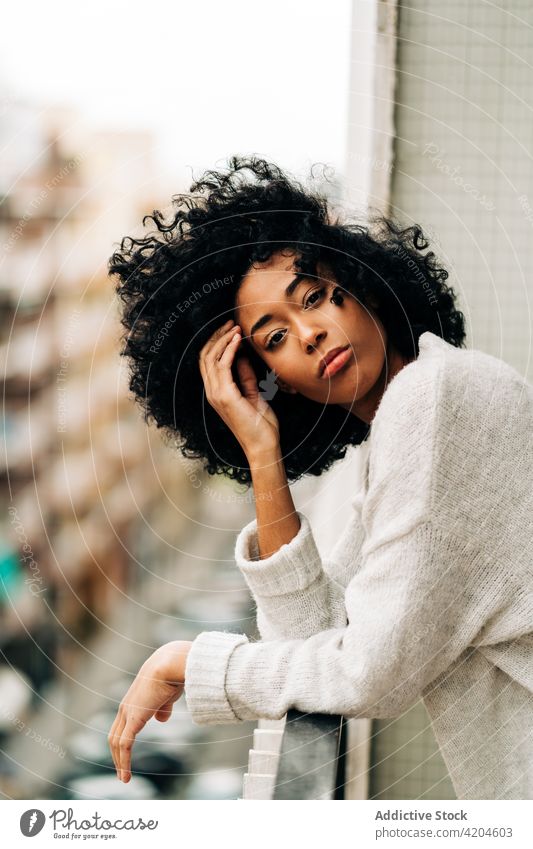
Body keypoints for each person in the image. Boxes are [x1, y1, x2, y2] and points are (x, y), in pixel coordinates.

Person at [107, 156, 533, 799]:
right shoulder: (397, 432)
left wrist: (191, 665)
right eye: (274, 337)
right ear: (270, 376)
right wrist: (261, 449)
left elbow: (370, 674)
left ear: (360, 281)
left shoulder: (435, 397)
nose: (308, 334)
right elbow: (315, 638)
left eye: (312, 297)